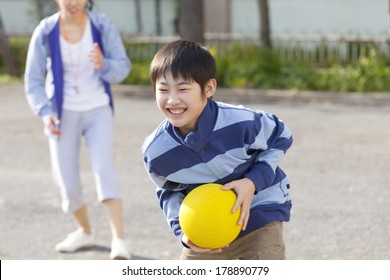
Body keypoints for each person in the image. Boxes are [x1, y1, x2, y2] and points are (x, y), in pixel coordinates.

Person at [142, 40, 293, 260]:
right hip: (206, 230)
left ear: (209, 88)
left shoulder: (240, 121)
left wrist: (252, 182)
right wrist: (183, 233)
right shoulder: (156, 152)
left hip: (259, 214)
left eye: (183, 89)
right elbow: (168, 192)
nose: (172, 99)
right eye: (163, 90)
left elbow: (281, 135)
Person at [24, 0, 131, 260]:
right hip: (62, 113)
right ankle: (84, 231)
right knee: (67, 180)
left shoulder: (102, 25)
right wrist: (45, 112)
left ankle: (119, 240)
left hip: (97, 109)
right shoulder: (46, 31)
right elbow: (33, 79)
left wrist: (103, 63)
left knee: (104, 169)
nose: (73, 2)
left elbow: (122, 68)